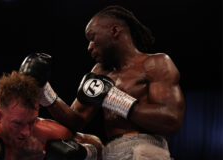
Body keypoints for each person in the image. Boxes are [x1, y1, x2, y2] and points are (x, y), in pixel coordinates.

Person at [25, 5, 185, 160]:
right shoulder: (99, 72)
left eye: (92, 38)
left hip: (147, 150)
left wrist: (114, 99)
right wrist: (44, 91)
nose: (89, 47)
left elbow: (171, 121)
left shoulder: (155, 63)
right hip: (112, 151)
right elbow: (76, 121)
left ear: (114, 31)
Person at [0, 71, 103, 160]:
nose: (26, 131)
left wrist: (85, 153)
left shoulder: (50, 133)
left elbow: (98, 146)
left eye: (32, 122)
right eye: (18, 123)